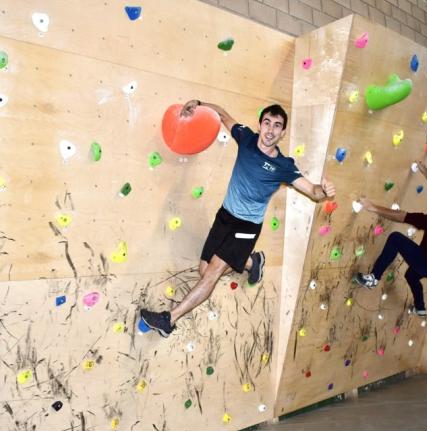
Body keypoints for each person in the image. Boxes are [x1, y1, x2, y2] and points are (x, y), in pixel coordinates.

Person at [140, 100, 336, 337]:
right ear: (260, 124)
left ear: (282, 132)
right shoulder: (246, 138)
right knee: (204, 270)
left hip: (247, 227)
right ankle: (253, 263)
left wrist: (323, 190)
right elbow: (223, 114)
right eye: (267, 123)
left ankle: (169, 319)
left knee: (212, 273)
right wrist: (199, 105)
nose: (270, 130)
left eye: (277, 126)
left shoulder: (283, 166)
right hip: (225, 216)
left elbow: (313, 191)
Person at [353, 161, 427, 317]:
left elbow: (404, 216)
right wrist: (424, 170)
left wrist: (373, 207)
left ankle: (373, 279)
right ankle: (420, 308)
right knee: (411, 275)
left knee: (396, 238)